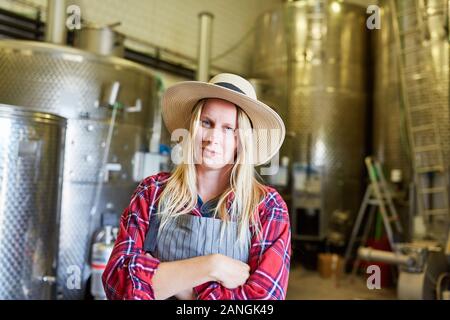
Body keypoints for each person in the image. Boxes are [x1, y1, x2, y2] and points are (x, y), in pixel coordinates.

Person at [102, 73, 291, 300]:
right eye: (206, 123)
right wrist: (211, 266)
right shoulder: (152, 193)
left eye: (228, 128)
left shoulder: (266, 207)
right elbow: (117, 282)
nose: (212, 138)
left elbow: (262, 301)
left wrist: (171, 282)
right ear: (192, 127)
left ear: (241, 141)